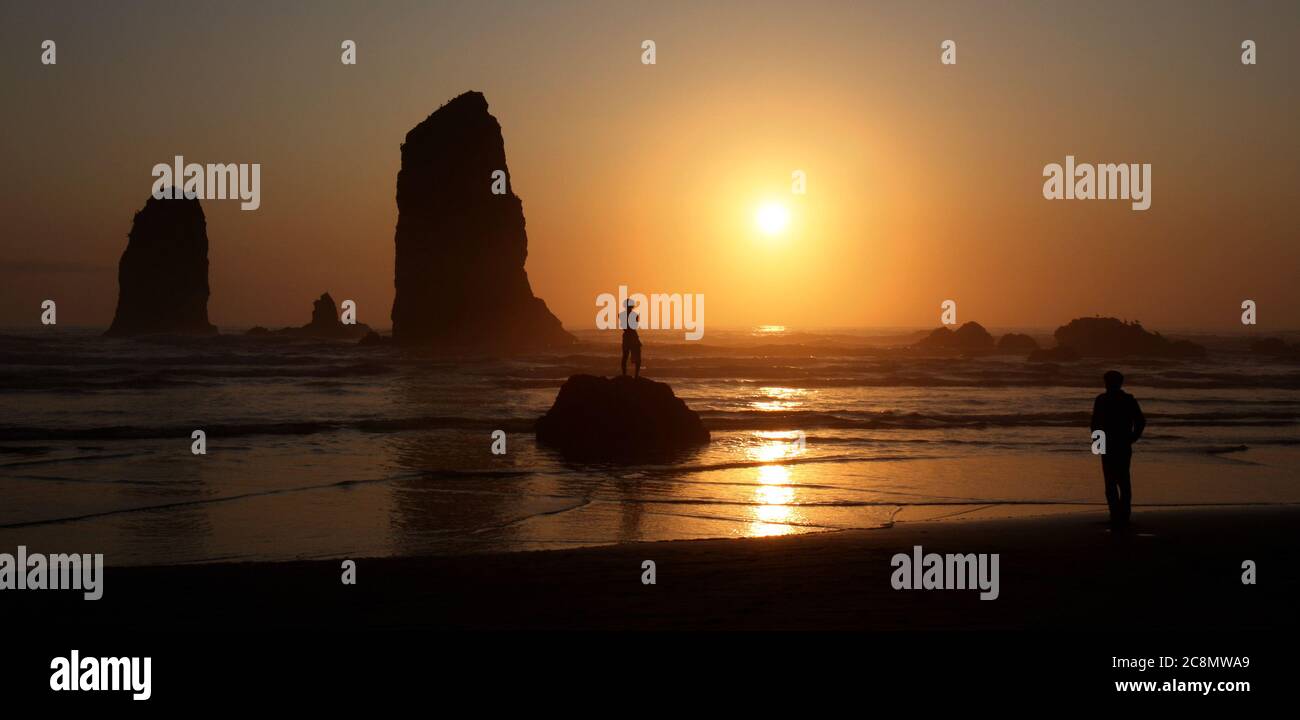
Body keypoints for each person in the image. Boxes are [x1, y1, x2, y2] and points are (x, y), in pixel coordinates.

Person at [1090, 370, 1146, 526]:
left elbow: (1095, 424)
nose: (1107, 385)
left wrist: (1098, 445)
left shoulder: (1103, 399)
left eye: (1108, 382)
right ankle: (1121, 515)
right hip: (1120, 444)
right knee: (1120, 481)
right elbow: (1140, 421)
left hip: (1112, 444)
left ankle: (1117, 515)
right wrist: (1132, 438)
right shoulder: (1125, 400)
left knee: (1114, 481)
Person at [619, 299, 642, 378]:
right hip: (632, 335)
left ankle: (624, 374)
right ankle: (636, 375)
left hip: (626, 336)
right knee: (637, 356)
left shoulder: (621, 315)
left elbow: (624, 327)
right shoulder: (635, 315)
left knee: (625, 356)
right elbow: (634, 326)